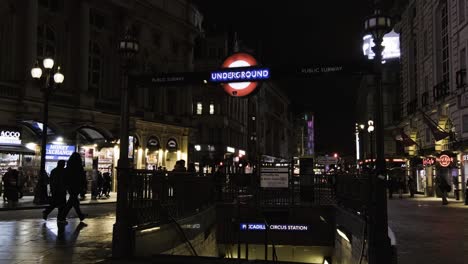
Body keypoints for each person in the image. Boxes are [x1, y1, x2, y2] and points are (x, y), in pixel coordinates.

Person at [59, 152, 88, 223]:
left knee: (74, 201)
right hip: (77, 186)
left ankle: (81, 216)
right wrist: (84, 186)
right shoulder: (79, 167)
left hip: (70, 186)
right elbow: (82, 178)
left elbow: (64, 177)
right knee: (71, 202)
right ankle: (62, 217)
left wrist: (65, 185)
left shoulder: (68, 167)